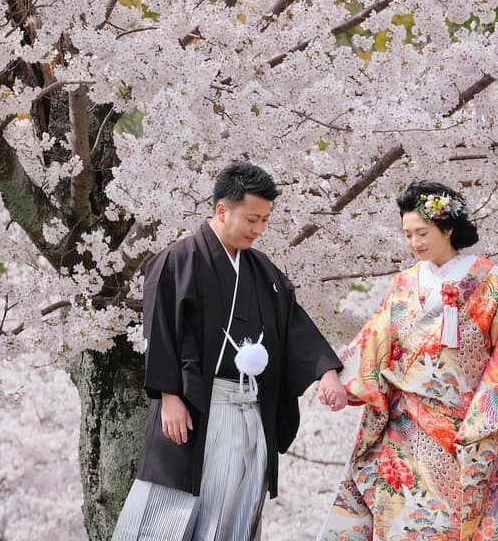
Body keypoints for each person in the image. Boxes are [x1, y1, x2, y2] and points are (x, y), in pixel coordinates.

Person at [317, 180, 498, 541]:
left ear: (448, 228)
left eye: (422, 233)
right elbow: (375, 340)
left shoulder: (489, 279)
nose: (414, 242)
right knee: (402, 520)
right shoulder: (404, 283)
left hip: (468, 422)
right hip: (405, 423)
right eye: (407, 234)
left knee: (459, 522)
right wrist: (335, 379)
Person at [114, 162, 349, 541]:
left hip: (249, 409)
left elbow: (293, 325)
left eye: (265, 220)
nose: (259, 229)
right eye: (252, 219)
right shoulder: (179, 259)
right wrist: (169, 397)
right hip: (195, 405)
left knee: (236, 509)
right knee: (170, 510)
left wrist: (326, 371)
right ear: (222, 210)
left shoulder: (262, 270)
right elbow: (160, 330)